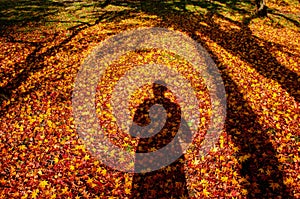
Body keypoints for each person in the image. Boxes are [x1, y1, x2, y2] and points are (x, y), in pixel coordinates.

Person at [130, 80, 191, 198]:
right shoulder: (174, 108)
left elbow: (133, 132)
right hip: (170, 153)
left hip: (147, 153)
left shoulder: (144, 107)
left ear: (153, 90)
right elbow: (187, 137)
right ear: (166, 91)